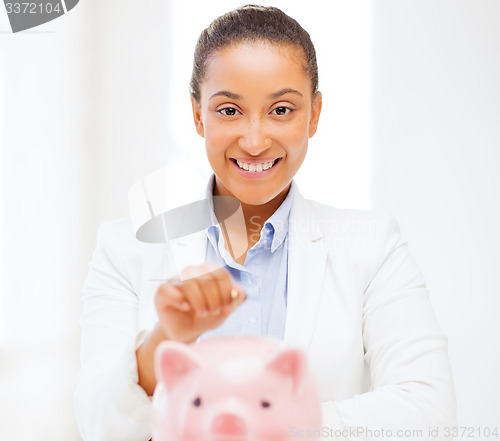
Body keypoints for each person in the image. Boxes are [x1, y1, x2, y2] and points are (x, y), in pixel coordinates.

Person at [74, 5, 457, 441]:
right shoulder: (124, 247)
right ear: (198, 115)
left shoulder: (373, 246)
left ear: (313, 114)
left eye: (281, 110)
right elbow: (97, 425)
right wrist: (165, 338)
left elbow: (430, 413)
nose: (254, 140)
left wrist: (267, 421)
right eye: (229, 111)